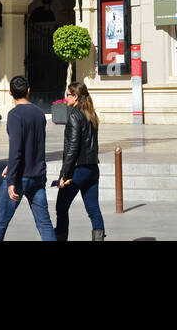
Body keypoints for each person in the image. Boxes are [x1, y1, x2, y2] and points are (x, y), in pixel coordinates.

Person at [0, 76, 56, 241]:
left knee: (0, 221)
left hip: (20, 177)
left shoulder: (14, 115)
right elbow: (34, 145)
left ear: (10, 93)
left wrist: (11, 180)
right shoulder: (40, 114)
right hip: (38, 175)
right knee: (44, 223)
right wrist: (10, 166)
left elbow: (17, 149)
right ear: (28, 90)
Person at [56, 83, 105, 241]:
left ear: (75, 96)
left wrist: (63, 174)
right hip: (92, 169)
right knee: (93, 209)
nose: (66, 98)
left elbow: (72, 149)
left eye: (68, 94)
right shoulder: (91, 115)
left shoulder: (75, 116)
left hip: (78, 170)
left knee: (61, 207)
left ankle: (61, 237)